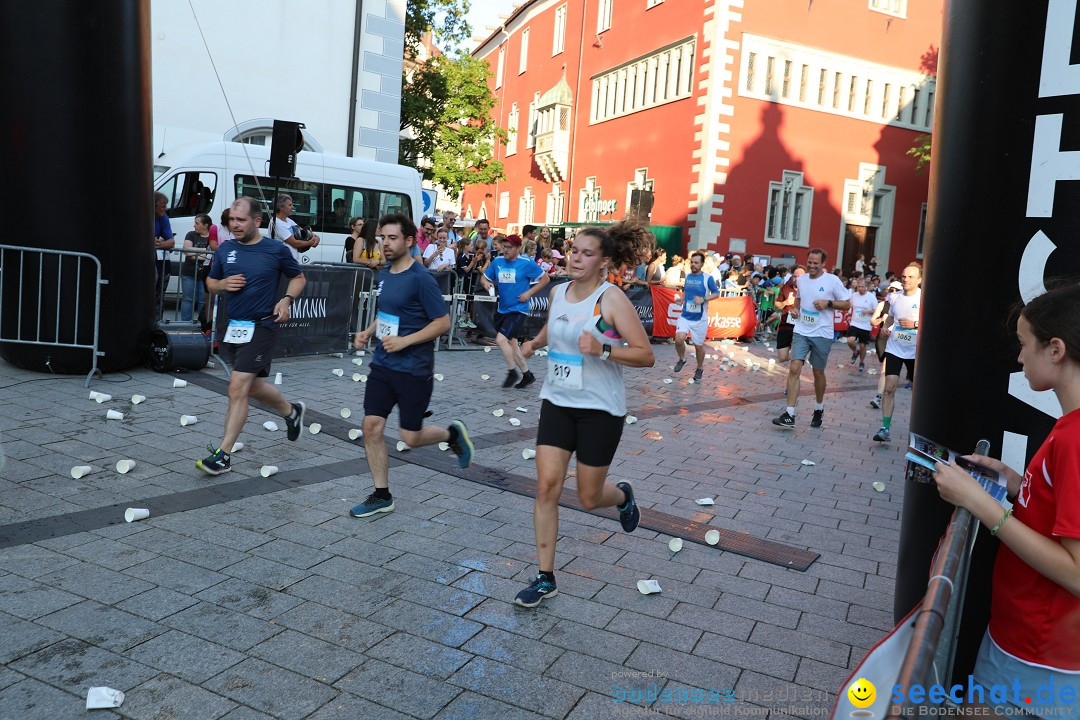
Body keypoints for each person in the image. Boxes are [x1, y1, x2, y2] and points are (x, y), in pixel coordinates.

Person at [931, 283, 1080, 717]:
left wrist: (983, 505)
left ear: (1055, 349)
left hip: (1038, 655)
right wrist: (1016, 484)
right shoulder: (1067, 426)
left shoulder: (1075, 437)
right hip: (1031, 643)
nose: (1018, 358)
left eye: (1023, 345)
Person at [514, 221, 656, 607]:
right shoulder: (559, 292)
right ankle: (545, 577)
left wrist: (603, 350)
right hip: (557, 403)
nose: (577, 258)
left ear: (604, 262)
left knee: (589, 497)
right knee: (546, 488)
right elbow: (553, 328)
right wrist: (534, 343)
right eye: (574, 250)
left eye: (587, 253)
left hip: (599, 410)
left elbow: (646, 355)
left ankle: (622, 496)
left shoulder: (611, 300)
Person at [349, 213, 474, 516]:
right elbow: (388, 313)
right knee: (371, 426)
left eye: (392, 238)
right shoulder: (385, 274)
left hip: (414, 368)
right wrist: (369, 330)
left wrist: (405, 341)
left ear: (408, 241)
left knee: (410, 436)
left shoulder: (421, 278)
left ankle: (451, 435)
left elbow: (443, 323)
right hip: (383, 365)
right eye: (382, 238)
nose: (385, 244)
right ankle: (382, 494)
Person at [197, 197, 308, 475]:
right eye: (232, 220)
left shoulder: (275, 250)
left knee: (236, 388)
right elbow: (210, 282)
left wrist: (285, 301)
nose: (234, 225)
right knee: (253, 387)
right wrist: (221, 283)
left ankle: (223, 455)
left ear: (257, 221)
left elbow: (299, 278)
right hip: (234, 327)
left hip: (262, 326)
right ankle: (291, 412)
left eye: (241, 220)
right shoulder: (225, 250)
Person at [772, 248, 850, 430]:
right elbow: (799, 299)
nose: (812, 266)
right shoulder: (803, 280)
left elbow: (847, 304)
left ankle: (819, 407)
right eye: (810, 262)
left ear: (823, 264)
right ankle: (789, 413)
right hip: (801, 330)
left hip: (822, 333)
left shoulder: (832, 281)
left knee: (818, 373)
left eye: (816, 263)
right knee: (794, 367)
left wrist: (828, 303)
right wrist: (796, 309)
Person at [480, 234, 550, 389]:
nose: (505, 250)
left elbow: (545, 279)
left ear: (518, 249)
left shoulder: (526, 263)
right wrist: (487, 284)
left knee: (500, 340)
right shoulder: (497, 261)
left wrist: (529, 293)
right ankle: (527, 375)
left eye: (509, 247)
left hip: (519, 310)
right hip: (502, 309)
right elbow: (484, 278)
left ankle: (512, 372)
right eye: (503, 246)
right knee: (512, 344)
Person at [873, 263, 922, 442]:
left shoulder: (924, 297)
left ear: (919, 279)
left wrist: (915, 325)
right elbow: (890, 319)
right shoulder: (894, 297)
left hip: (915, 352)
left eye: (910, 277)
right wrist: (886, 328)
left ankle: (920, 429)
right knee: (889, 387)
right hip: (895, 348)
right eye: (904, 276)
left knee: (917, 391)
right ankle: (885, 428)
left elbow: (934, 322)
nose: (905, 279)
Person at [674, 252, 720, 382]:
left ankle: (699, 368)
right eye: (692, 262)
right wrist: (681, 299)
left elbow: (716, 294)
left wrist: (703, 299)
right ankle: (682, 359)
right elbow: (686, 292)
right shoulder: (688, 276)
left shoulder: (707, 278)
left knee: (698, 346)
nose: (693, 265)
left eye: (696, 262)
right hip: (685, 315)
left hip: (700, 319)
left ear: (701, 264)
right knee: (678, 339)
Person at [180, 213, 213, 322]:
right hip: (189, 273)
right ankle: (185, 325)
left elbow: (213, 254)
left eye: (197, 223)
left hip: (205, 275)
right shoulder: (190, 234)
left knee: (203, 301)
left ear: (205, 225)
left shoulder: (212, 237)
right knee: (187, 300)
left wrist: (195, 253)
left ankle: (201, 325)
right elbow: (187, 251)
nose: (194, 225)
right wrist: (206, 252)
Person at [270, 193, 320, 261]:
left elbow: (303, 231)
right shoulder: (277, 223)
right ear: (281, 207)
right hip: (283, 262)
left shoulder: (288, 220)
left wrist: (316, 237)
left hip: (291, 261)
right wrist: (312, 242)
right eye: (290, 205)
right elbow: (295, 243)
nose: (292, 207)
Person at [774, 266, 804, 363]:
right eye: (794, 276)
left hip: (800, 328)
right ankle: (796, 357)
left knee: (796, 358)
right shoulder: (786, 287)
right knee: (782, 358)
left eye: (799, 277)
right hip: (785, 326)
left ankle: (797, 360)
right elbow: (777, 305)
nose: (796, 279)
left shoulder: (808, 290)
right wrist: (785, 303)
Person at [153, 192, 175, 322]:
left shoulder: (163, 217)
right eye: (162, 206)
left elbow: (171, 242)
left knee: (159, 297)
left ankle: (157, 324)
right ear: (153, 206)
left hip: (160, 265)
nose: (165, 209)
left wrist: (158, 244)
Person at [847, 279, 877, 371]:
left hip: (865, 325)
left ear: (866, 287)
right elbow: (850, 305)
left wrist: (867, 311)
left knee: (863, 346)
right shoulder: (854, 296)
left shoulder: (871, 297)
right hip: (855, 322)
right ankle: (855, 352)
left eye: (862, 287)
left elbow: (877, 310)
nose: (860, 288)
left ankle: (861, 362)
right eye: (858, 287)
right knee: (850, 341)